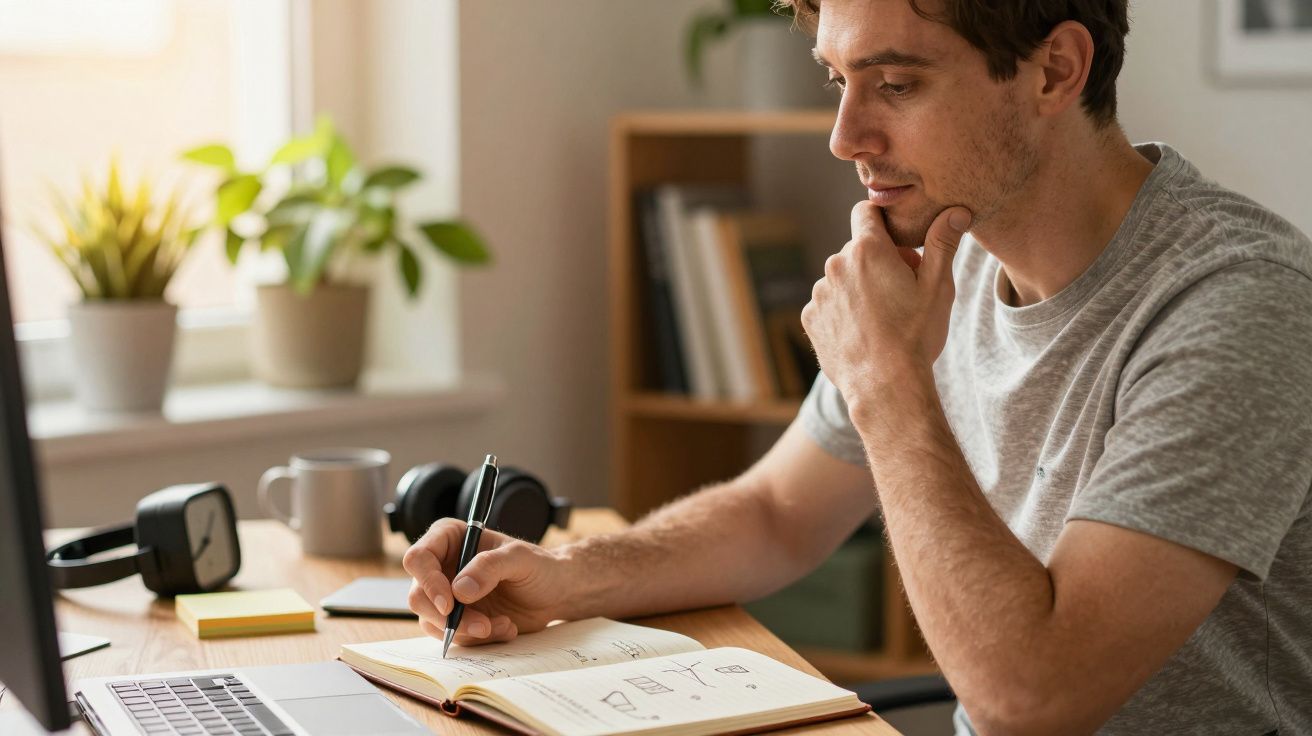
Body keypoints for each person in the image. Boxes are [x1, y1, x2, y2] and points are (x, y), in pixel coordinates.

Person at [403, 0, 1312, 733]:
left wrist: (888, 381)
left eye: (897, 84)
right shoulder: (947, 253)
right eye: (840, 80)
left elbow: (1036, 701)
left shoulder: (1240, 304)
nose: (844, 136)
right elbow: (774, 514)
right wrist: (565, 575)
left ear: (1055, 70)